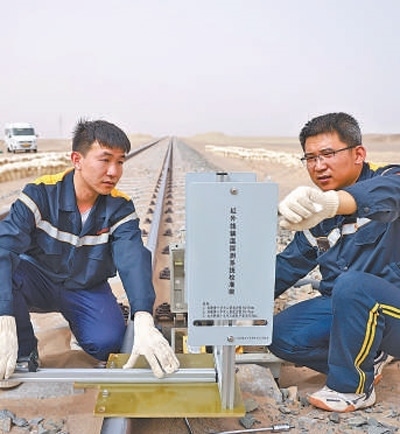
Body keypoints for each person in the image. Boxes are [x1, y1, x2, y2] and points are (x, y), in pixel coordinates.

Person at [0, 119, 179, 381]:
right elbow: (4, 247)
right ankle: (23, 351)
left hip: (85, 288)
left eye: (120, 162)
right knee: (4, 277)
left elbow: (132, 258)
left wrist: (142, 315)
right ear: (77, 159)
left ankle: (81, 324)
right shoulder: (40, 195)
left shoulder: (119, 207)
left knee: (108, 343)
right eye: (105, 160)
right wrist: (4, 316)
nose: (114, 172)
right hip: (37, 280)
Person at [269, 112, 400, 412]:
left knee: (353, 285)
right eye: (310, 158)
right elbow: (286, 268)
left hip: (394, 312)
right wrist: (230, 305)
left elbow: (392, 193)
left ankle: (352, 387)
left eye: (328, 154)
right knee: (278, 335)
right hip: (350, 310)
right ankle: (371, 357)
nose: (318, 166)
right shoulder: (320, 219)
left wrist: (333, 203)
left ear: (358, 154)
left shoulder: (387, 181)